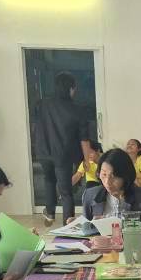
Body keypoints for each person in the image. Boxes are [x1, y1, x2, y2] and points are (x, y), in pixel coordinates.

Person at [35, 71, 84, 226]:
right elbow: (82, 137)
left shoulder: (42, 104)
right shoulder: (75, 109)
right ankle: (68, 224)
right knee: (66, 191)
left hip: (43, 151)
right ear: (71, 88)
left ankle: (50, 212)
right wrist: (84, 157)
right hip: (62, 154)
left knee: (49, 179)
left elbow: (36, 126)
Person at [77, 148, 141, 229]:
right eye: (104, 174)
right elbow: (86, 232)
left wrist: (114, 227)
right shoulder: (90, 195)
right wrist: (80, 225)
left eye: (114, 176)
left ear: (125, 176)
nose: (107, 182)